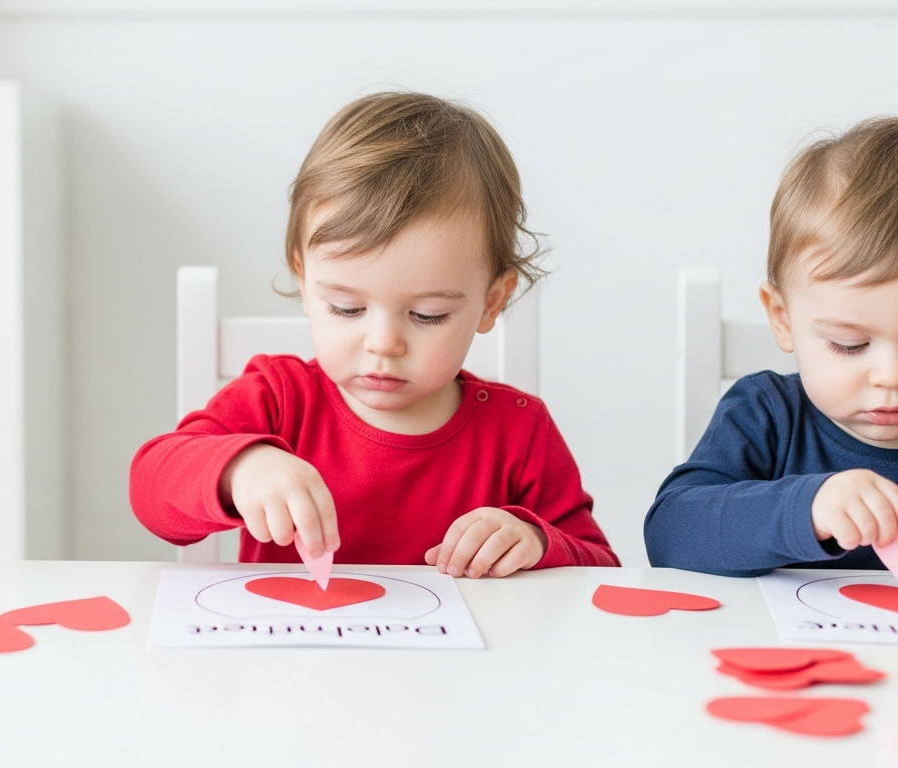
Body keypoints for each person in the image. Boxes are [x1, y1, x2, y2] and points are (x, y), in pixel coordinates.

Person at [130, 92, 618, 576]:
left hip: (462, 658)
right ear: (305, 282)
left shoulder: (519, 430)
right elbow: (151, 488)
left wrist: (534, 539)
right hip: (289, 651)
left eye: (427, 315)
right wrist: (240, 469)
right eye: (347, 307)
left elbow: (597, 566)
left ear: (491, 302)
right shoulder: (276, 399)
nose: (383, 343)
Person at [648, 118, 898, 577]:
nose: (889, 377)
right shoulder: (768, 415)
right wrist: (807, 509)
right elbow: (670, 534)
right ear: (783, 319)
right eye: (850, 344)